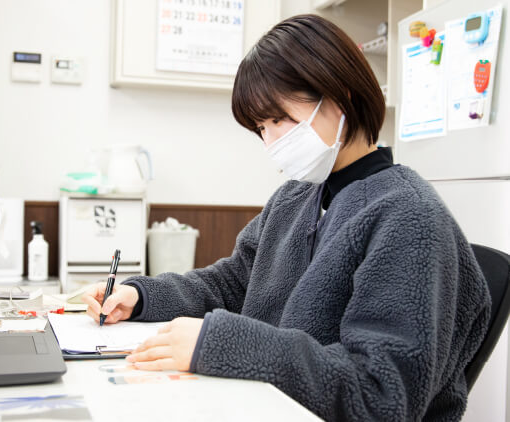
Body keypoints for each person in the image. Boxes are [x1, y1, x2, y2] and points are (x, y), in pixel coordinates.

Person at [83, 14, 490, 421]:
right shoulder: (295, 198)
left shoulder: (409, 216)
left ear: (340, 97)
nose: (272, 141)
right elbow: (233, 283)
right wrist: (141, 297)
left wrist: (224, 342)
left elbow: (379, 395)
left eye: (280, 119)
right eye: (261, 127)